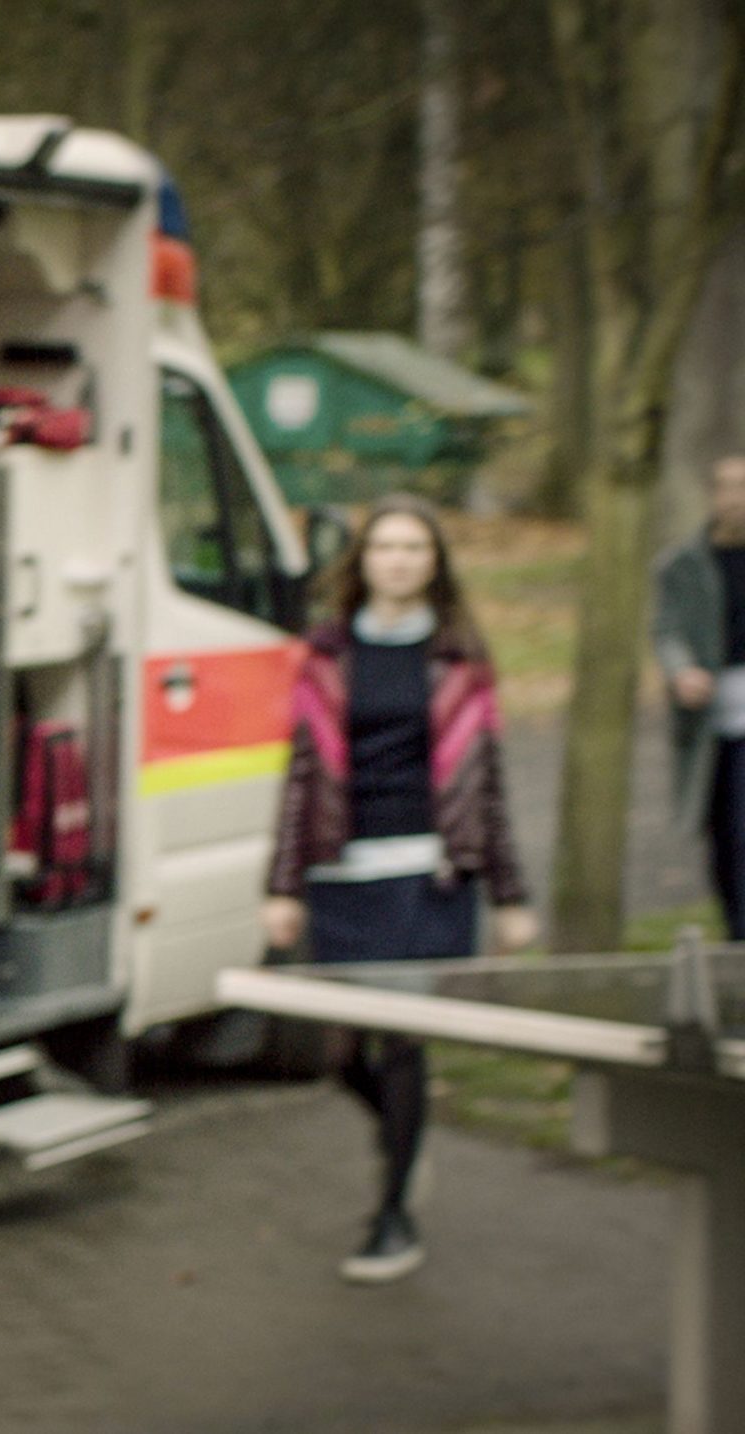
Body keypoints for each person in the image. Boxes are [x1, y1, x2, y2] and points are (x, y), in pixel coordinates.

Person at [262, 494, 537, 1286]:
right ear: (363, 560)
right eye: (386, 546)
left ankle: (394, 1218)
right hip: (341, 875)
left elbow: (487, 785)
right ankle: (403, 1141)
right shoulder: (325, 654)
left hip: (429, 874)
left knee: (405, 1042)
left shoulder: (460, 658)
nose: (400, 560)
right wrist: (282, 886)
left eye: (416, 547)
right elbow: (301, 776)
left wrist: (510, 895)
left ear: (435, 563)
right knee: (342, 1054)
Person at [651, 452, 745, 938]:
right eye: (729, 486)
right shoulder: (682, 564)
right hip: (710, 717)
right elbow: (666, 630)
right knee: (723, 830)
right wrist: (681, 670)